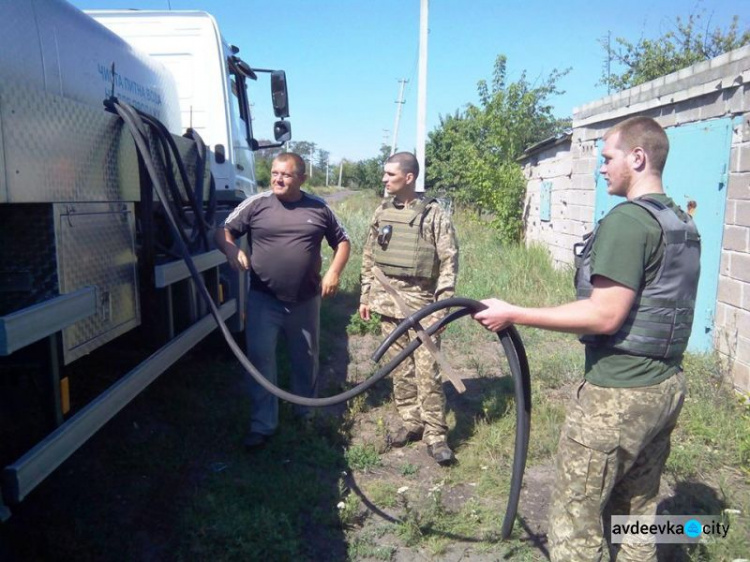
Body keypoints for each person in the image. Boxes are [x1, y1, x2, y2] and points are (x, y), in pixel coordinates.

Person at [473, 116, 701, 561]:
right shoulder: (680, 223)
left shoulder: (630, 222)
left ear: (638, 158)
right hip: (665, 386)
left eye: (608, 158)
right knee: (636, 513)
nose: (601, 168)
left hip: (618, 396)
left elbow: (604, 314)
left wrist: (513, 313)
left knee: (576, 523)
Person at [215, 152, 351, 449]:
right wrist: (230, 251)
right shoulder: (257, 204)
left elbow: (342, 241)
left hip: (305, 301)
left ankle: (306, 414)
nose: (277, 178)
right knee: (261, 359)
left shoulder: (319, 207)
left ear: (302, 178)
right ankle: (263, 424)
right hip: (264, 300)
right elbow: (223, 231)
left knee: (306, 359)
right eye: (275, 173)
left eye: (286, 174)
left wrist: (334, 273)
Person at [359, 152, 459, 466]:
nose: (385, 180)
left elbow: (449, 262)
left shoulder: (434, 215)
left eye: (390, 175)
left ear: (409, 177)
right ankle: (411, 422)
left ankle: (436, 435)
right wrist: (365, 296)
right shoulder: (382, 210)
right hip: (387, 302)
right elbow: (369, 255)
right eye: (385, 174)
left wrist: (442, 307)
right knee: (400, 371)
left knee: (428, 373)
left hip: (423, 305)